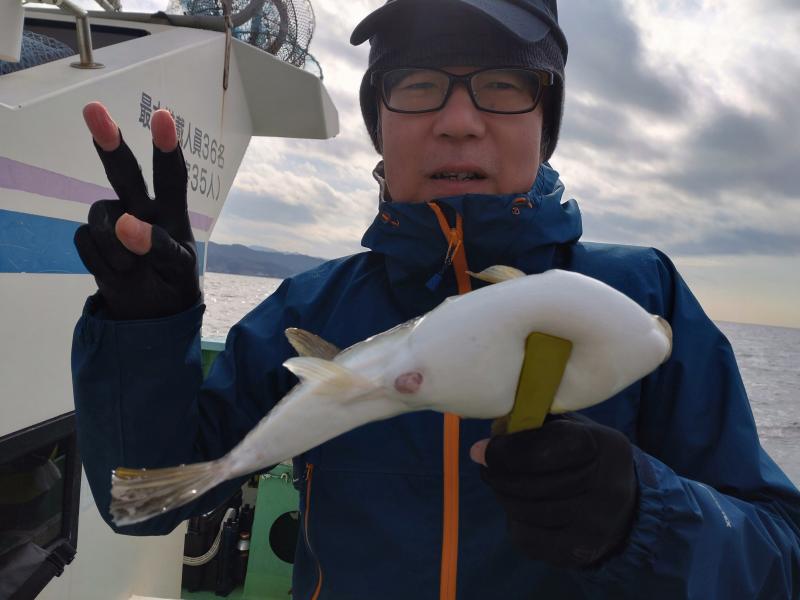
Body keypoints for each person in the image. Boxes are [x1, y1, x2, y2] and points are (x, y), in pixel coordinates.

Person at [72, 1, 800, 598]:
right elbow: (141, 502)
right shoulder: (308, 309)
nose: (458, 120)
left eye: (505, 83)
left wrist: (647, 513)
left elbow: (779, 555)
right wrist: (147, 330)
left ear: (546, 122)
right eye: (417, 83)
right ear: (379, 124)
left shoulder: (642, 296)